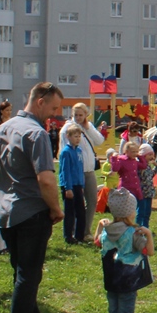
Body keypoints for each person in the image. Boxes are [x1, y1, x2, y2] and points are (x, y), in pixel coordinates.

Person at [0, 83, 66, 313]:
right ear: (40, 102)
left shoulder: (4, 128)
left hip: (7, 210)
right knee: (28, 277)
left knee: (21, 273)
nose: (55, 114)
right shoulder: (37, 133)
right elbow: (46, 179)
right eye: (53, 108)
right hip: (31, 211)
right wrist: (55, 208)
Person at [95, 187, 155, 313]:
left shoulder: (107, 231)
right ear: (130, 212)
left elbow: (97, 241)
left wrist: (99, 226)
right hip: (128, 281)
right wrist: (148, 234)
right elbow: (149, 251)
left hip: (111, 280)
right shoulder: (133, 233)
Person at [60, 103, 104, 242]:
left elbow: (99, 140)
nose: (78, 118)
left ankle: (85, 231)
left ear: (86, 115)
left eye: (81, 115)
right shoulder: (68, 128)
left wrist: (88, 127)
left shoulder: (88, 126)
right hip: (75, 173)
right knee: (75, 205)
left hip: (89, 170)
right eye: (76, 115)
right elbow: (65, 151)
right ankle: (72, 232)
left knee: (92, 201)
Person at [57, 127, 86, 245]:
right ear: (68, 137)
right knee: (70, 212)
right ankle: (68, 236)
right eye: (75, 136)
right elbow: (65, 171)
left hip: (78, 184)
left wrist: (82, 184)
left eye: (79, 136)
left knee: (81, 211)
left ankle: (80, 236)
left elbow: (80, 169)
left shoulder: (79, 151)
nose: (77, 139)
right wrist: (68, 188)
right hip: (70, 185)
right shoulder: (66, 152)